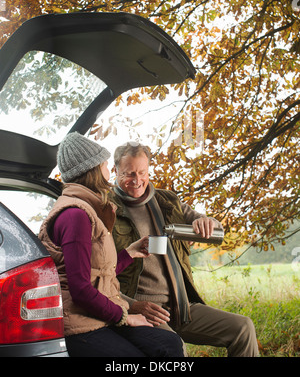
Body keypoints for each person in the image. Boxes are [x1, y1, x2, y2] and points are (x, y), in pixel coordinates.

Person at [38, 132, 184, 358]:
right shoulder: (75, 215)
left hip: (96, 314)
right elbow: (81, 290)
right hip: (80, 323)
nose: (108, 171)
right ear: (93, 170)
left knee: (168, 344)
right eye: (105, 164)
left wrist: (129, 253)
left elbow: (96, 274)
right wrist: (125, 316)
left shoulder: (87, 209)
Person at [112, 142, 259, 357]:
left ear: (149, 169)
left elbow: (210, 225)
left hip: (180, 305)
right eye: (129, 174)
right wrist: (131, 306)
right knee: (176, 347)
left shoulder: (167, 201)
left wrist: (208, 222)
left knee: (243, 328)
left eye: (142, 172)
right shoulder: (107, 209)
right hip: (142, 309)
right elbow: (97, 274)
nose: (137, 180)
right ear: (116, 170)